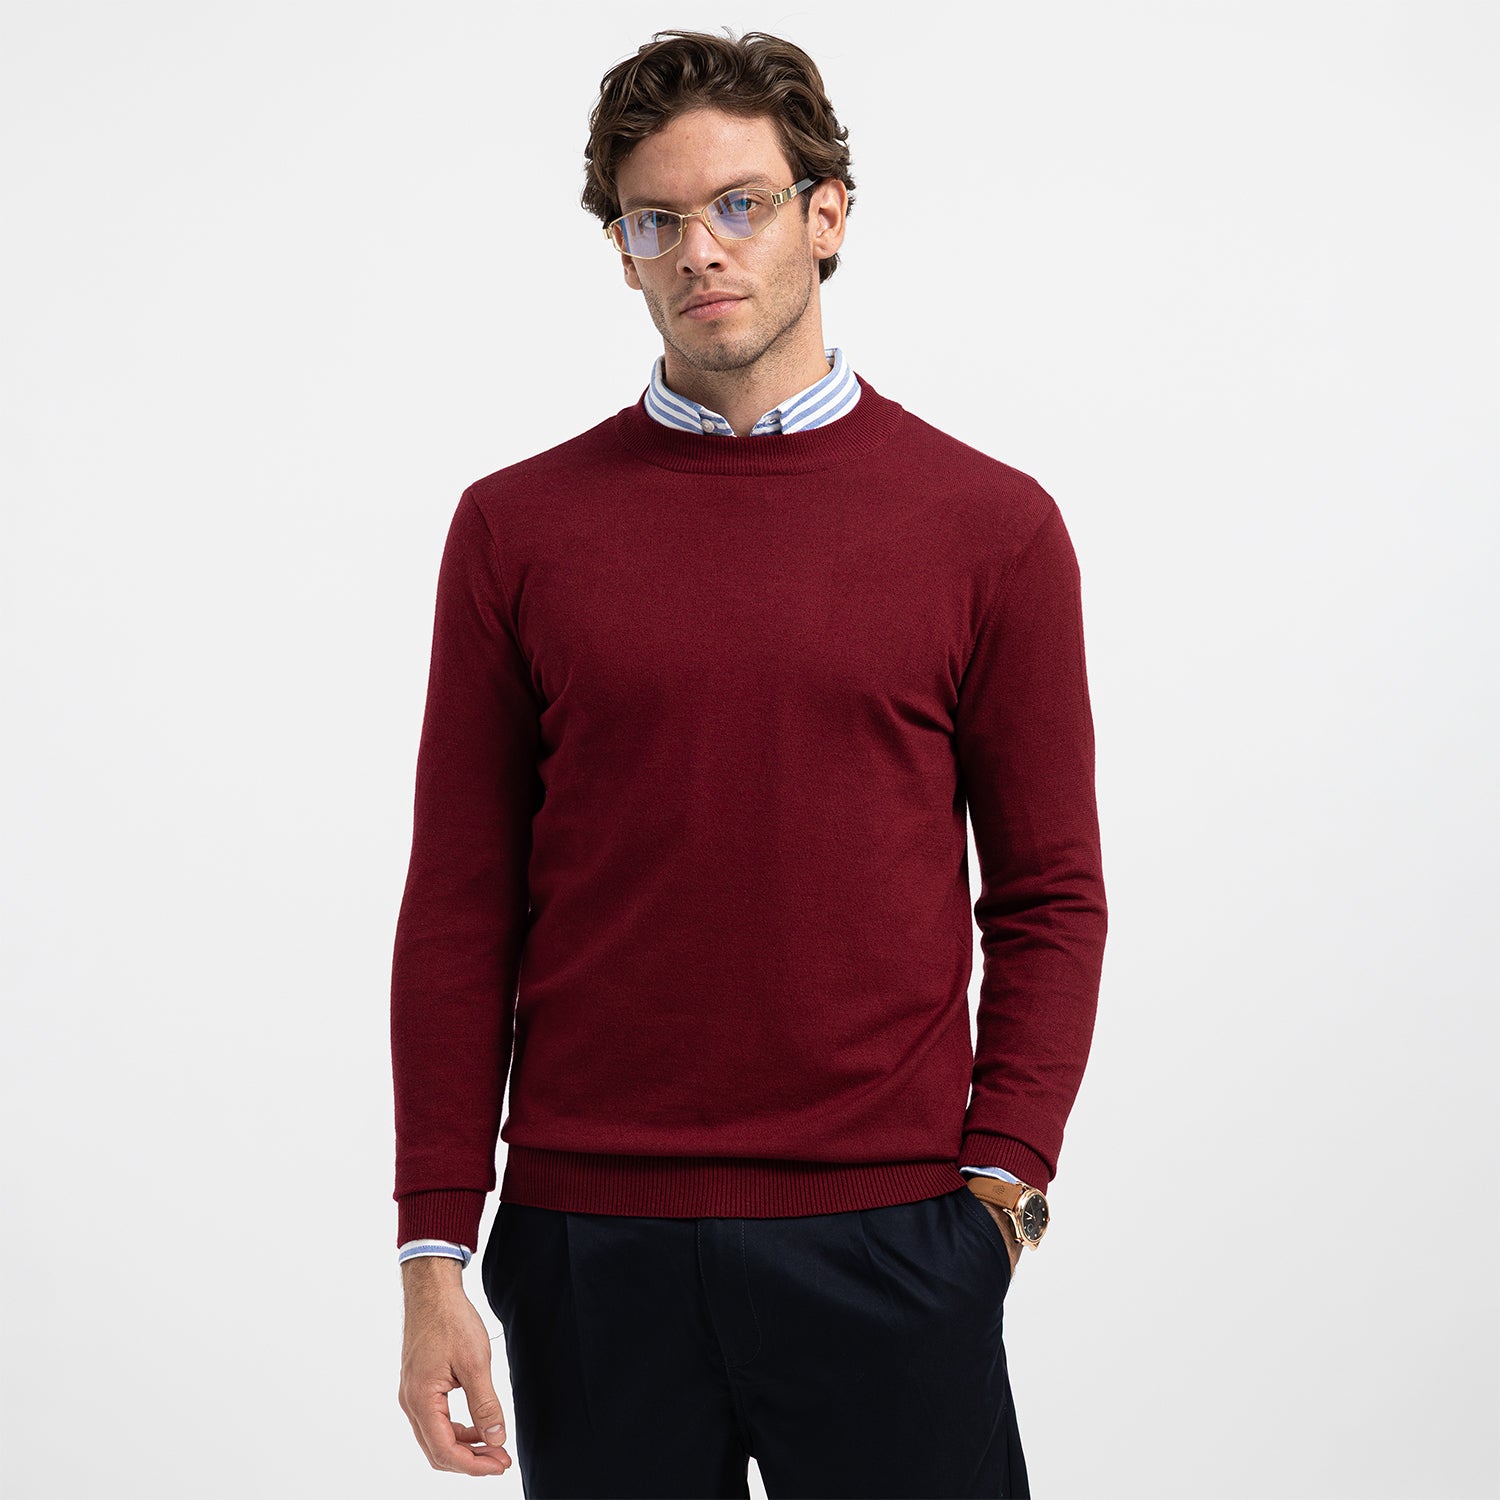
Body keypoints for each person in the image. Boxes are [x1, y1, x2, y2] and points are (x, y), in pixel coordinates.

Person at [392, 27, 1107, 1498]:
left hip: (892, 1237)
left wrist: (1001, 1192)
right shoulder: (515, 531)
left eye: (741, 204)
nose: (699, 249)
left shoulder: (990, 527)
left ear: (825, 214)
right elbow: (461, 903)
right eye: (655, 219)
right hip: (593, 1249)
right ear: (623, 252)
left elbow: (1050, 892)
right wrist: (433, 1247)